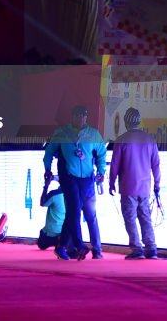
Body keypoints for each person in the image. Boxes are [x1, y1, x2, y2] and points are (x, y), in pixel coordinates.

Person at [44, 104, 107, 260]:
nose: (81, 118)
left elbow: (102, 154)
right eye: (78, 115)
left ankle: (62, 246)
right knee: (74, 210)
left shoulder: (93, 134)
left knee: (73, 211)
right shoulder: (61, 133)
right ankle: (80, 245)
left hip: (87, 178)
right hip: (69, 177)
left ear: (87, 117)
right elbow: (49, 152)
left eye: (84, 115)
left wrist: (101, 172)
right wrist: (47, 169)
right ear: (72, 116)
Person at [109, 107, 161, 259]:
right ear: (139, 121)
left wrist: (112, 182)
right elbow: (156, 165)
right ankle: (151, 248)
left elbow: (115, 165)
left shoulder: (122, 140)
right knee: (145, 217)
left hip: (128, 187)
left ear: (126, 122)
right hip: (145, 188)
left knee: (130, 217)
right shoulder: (150, 139)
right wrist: (157, 185)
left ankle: (137, 248)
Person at [37, 181, 65, 251]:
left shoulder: (55, 194)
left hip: (49, 234)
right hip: (64, 235)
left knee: (41, 245)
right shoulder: (74, 195)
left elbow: (42, 203)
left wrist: (46, 185)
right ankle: (60, 244)